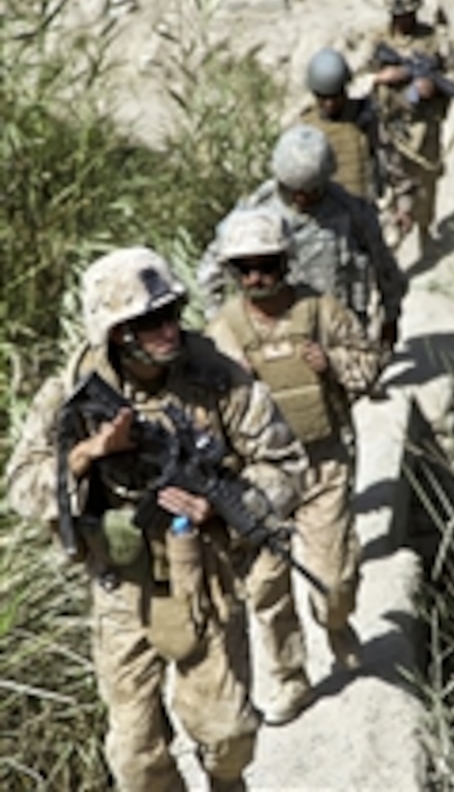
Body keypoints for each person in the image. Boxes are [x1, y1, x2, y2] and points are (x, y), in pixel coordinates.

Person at [6, 245, 308, 792]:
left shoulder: (217, 378)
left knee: (230, 736)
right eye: (148, 321)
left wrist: (223, 502)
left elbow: (286, 463)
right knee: (137, 760)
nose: (167, 329)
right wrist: (88, 454)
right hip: (121, 585)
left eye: (171, 313)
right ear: (117, 333)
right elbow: (20, 489)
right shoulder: (72, 393)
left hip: (206, 573)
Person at [205, 208, 384, 725]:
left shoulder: (321, 311)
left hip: (322, 463)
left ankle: (336, 622)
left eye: (265, 265)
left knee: (334, 578)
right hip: (259, 476)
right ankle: (290, 678)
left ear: (285, 262)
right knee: (266, 587)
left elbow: (369, 365)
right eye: (245, 269)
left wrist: (333, 365)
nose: (256, 278)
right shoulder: (222, 332)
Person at [197, 124, 408, 356]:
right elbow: (210, 273)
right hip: (278, 334)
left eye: (311, 191)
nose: (301, 198)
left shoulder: (350, 211)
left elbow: (384, 265)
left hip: (337, 329)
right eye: (292, 190)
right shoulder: (253, 214)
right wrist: (223, 330)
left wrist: (391, 315)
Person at [366, 0, 454, 251]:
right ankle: (392, 237)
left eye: (408, 14)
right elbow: (358, 79)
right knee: (392, 185)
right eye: (397, 15)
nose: (402, 21)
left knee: (426, 184)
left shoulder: (435, 41)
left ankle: (423, 229)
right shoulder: (378, 42)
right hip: (388, 128)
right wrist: (385, 77)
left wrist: (433, 89)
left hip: (424, 129)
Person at [298, 47, 383, 202]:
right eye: (323, 98)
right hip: (329, 214)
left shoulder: (364, 115)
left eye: (335, 96)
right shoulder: (305, 129)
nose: (330, 104)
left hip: (363, 208)